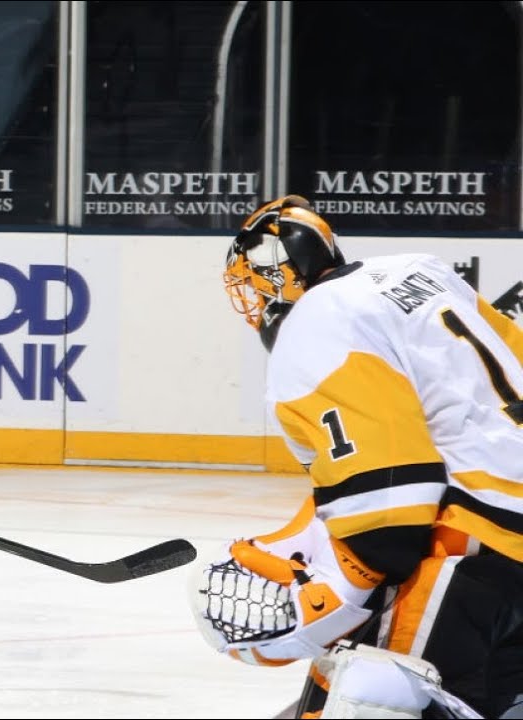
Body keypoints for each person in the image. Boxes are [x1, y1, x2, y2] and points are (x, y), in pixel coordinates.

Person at [190, 195, 523, 718]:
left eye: (253, 283)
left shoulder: (316, 323)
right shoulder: (420, 271)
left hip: (476, 548)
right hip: (508, 534)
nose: (251, 300)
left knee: (363, 696)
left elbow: (388, 528)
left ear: (279, 280)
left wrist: (325, 595)